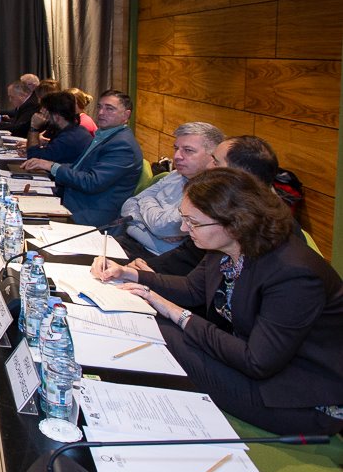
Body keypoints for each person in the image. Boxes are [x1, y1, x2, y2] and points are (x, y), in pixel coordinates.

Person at [93, 168, 343, 435]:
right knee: (152, 324)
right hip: (252, 363)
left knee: (160, 333)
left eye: (193, 222)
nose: (184, 228)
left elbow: (257, 361)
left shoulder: (294, 274)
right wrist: (130, 274)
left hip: (296, 397)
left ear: (234, 223)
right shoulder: (227, 246)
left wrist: (179, 315)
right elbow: (192, 289)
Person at [129, 135, 281, 277]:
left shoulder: (271, 242)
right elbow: (189, 260)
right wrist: (139, 272)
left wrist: (145, 276)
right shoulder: (229, 205)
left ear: (239, 174)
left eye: (215, 162)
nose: (208, 166)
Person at [22, 89, 142, 227]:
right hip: (75, 199)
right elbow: (81, 168)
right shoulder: (106, 136)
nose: (101, 112)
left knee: (22, 221)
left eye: (109, 109)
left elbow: (91, 182)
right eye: (99, 107)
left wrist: (52, 166)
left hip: (90, 213)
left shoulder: (123, 145)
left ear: (126, 115)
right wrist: (49, 164)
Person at [119, 122, 223, 257]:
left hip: (156, 257)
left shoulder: (214, 192)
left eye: (188, 150)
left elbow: (162, 227)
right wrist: (152, 226)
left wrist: (144, 205)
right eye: (176, 148)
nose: (177, 156)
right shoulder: (175, 175)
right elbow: (129, 205)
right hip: (129, 242)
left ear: (212, 156)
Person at [24, 91, 92, 163]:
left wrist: (34, 127)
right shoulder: (79, 130)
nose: (41, 116)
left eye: (44, 113)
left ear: (56, 117)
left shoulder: (67, 139)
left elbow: (33, 158)